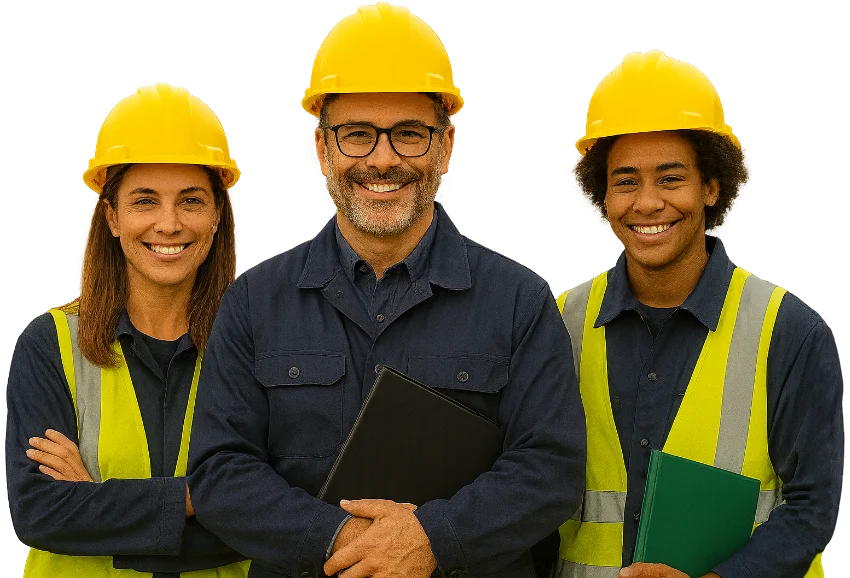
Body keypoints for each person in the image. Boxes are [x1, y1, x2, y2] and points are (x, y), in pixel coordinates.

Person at [185, 1, 586, 577]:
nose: (383, 159)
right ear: (320, 148)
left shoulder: (519, 302)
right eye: (357, 135)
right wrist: (345, 539)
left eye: (409, 135)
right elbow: (220, 473)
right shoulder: (254, 302)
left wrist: (433, 540)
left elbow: (551, 470)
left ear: (447, 146)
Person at [553, 49, 844, 578]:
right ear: (604, 195)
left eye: (670, 179)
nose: (647, 203)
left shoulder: (788, 332)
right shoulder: (559, 323)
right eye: (625, 181)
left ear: (711, 187)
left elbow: (811, 509)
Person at [5, 82, 251, 577]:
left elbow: (272, 520)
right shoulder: (51, 344)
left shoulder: (257, 344)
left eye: (191, 200)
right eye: (144, 201)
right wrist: (200, 496)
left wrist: (95, 504)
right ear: (112, 217)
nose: (168, 224)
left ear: (217, 217)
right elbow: (40, 512)